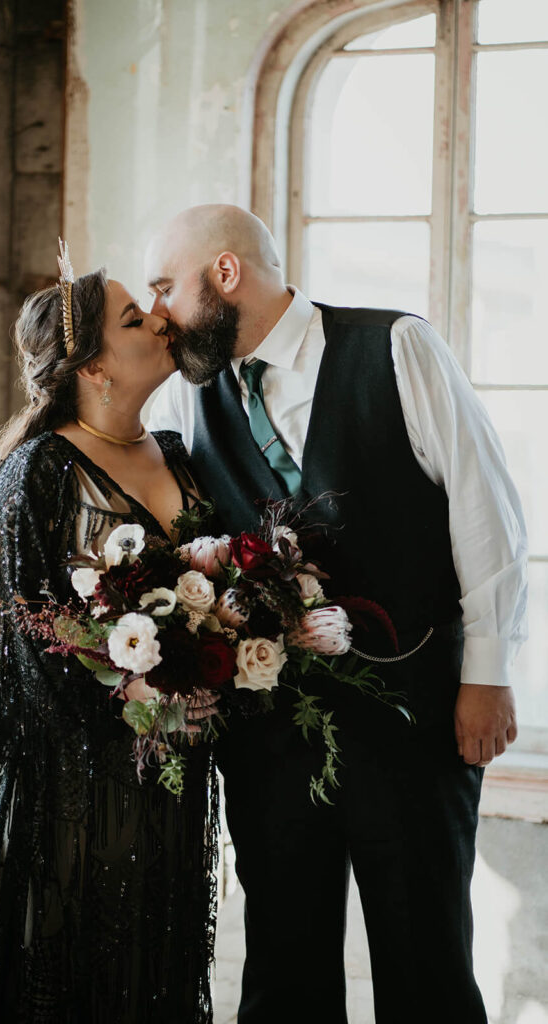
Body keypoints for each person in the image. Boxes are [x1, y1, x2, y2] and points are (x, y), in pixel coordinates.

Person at [146, 204, 527, 1024]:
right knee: (282, 964)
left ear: (224, 274)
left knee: (423, 955)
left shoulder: (394, 347)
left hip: (415, 708)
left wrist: (486, 676)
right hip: (269, 726)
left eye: (164, 287)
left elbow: (485, 511)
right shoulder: (187, 400)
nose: (157, 313)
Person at [0, 259, 219, 1024]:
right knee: (61, 971)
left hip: (170, 782)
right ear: (92, 366)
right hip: (66, 786)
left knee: (147, 967)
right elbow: (16, 648)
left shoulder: (180, 455)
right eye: (135, 319)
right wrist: (139, 711)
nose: (162, 321)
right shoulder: (37, 474)